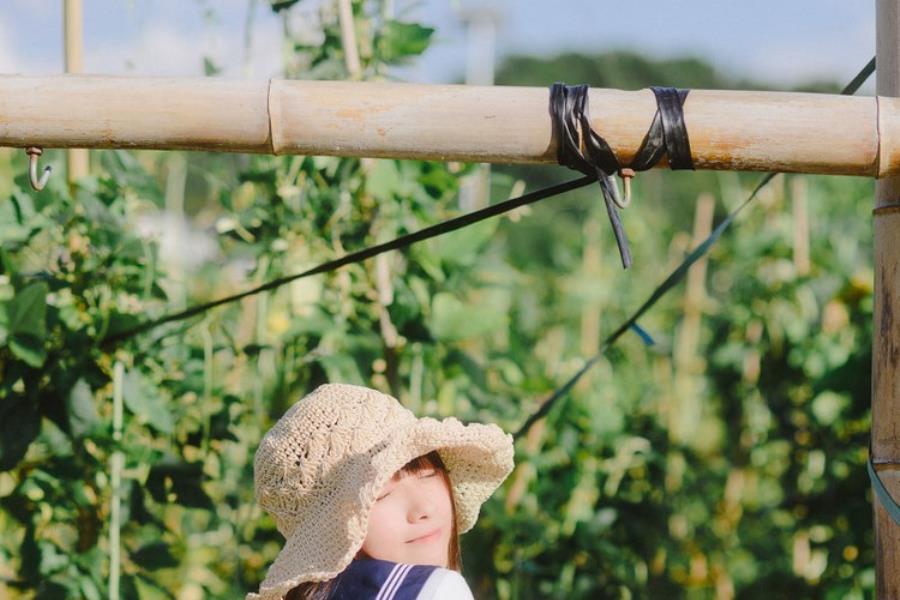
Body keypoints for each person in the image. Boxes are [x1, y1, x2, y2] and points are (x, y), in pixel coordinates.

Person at [246, 383, 515, 600]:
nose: (423, 510)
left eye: (428, 474)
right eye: (382, 494)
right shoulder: (433, 591)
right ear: (336, 529)